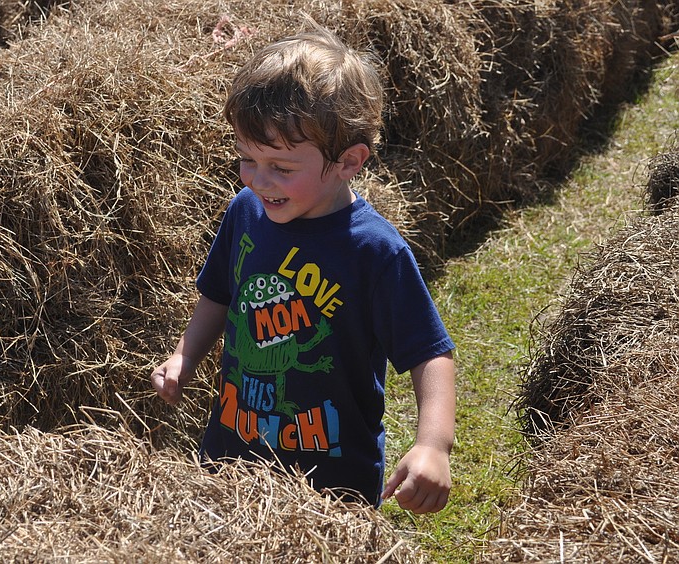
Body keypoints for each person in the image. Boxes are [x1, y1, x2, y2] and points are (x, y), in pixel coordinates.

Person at [150, 24, 456, 512]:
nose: (258, 180)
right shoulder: (245, 213)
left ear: (348, 162)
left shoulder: (374, 250)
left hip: (330, 479)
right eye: (247, 159)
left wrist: (433, 444)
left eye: (282, 167)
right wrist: (186, 356)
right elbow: (218, 295)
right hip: (231, 458)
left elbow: (430, 352)